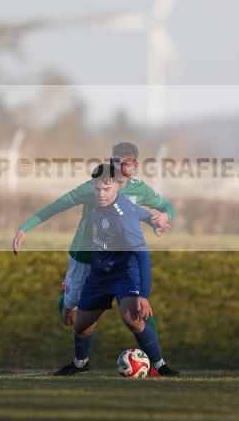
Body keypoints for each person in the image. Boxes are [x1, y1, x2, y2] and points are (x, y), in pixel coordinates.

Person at [13, 142, 174, 339]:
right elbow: (56, 206)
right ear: (110, 162)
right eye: (117, 163)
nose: (122, 169)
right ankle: (67, 293)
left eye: (128, 164)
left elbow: (167, 207)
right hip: (86, 256)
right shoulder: (93, 188)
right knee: (70, 319)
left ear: (135, 166)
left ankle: (157, 365)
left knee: (138, 306)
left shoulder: (140, 190)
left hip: (120, 260)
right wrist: (24, 228)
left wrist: (163, 217)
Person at [53, 163, 179, 377]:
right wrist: (151, 219)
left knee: (133, 319)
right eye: (98, 188)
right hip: (99, 273)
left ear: (117, 187)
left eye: (107, 189)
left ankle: (160, 366)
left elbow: (142, 256)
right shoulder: (95, 202)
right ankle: (80, 363)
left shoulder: (123, 217)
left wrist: (144, 296)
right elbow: (138, 210)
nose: (101, 194)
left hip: (123, 273)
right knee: (80, 325)